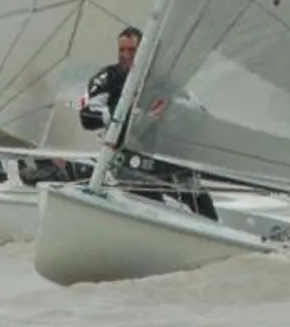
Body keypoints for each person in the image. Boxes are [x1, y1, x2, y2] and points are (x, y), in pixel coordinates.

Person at [78, 26, 218, 220]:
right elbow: (87, 118)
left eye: (132, 50)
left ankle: (209, 230)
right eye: (122, 50)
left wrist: (184, 114)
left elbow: (198, 112)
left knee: (201, 200)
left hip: (161, 157)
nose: (126, 55)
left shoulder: (161, 82)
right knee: (151, 199)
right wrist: (119, 112)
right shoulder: (108, 78)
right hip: (126, 160)